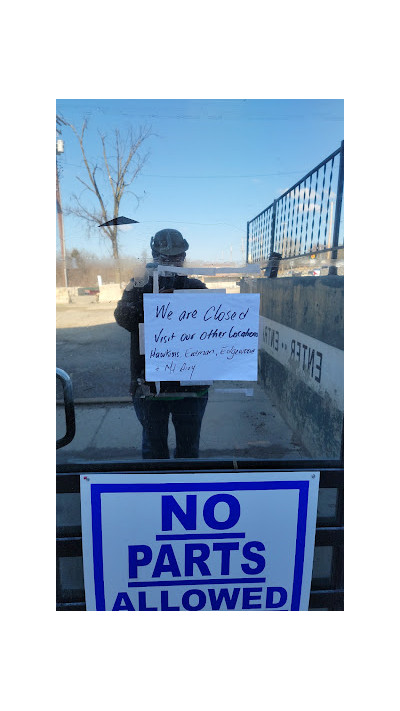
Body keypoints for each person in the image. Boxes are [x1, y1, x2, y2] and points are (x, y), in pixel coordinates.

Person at [114, 228, 209, 459]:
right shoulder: (138, 285)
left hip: (191, 387)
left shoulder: (196, 287)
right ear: (154, 256)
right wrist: (155, 305)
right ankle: (154, 492)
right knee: (153, 449)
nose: (172, 262)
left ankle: (187, 490)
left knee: (189, 450)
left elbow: (214, 329)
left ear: (184, 258)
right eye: (165, 257)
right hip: (149, 385)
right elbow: (122, 316)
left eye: (178, 257)